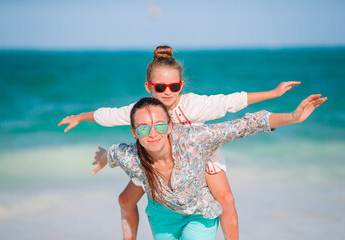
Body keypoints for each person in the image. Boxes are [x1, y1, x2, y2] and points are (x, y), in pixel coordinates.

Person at [58, 46, 301, 240]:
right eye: (160, 87)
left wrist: (274, 93)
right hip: (156, 160)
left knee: (225, 199)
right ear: (148, 87)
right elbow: (109, 115)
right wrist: (80, 116)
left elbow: (232, 102)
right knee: (125, 199)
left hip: (202, 157)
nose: (167, 92)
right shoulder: (142, 110)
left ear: (181, 86)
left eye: (173, 87)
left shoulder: (194, 105)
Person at [92, 95, 326, 240]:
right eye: (143, 128)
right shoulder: (129, 155)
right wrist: (101, 157)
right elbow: (110, 154)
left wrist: (293, 117)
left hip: (199, 214)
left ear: (170, 125)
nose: (152, 133)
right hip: (162, 217)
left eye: (160, 126)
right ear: (134, 132)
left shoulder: (195, 139)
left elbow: (244, 125)